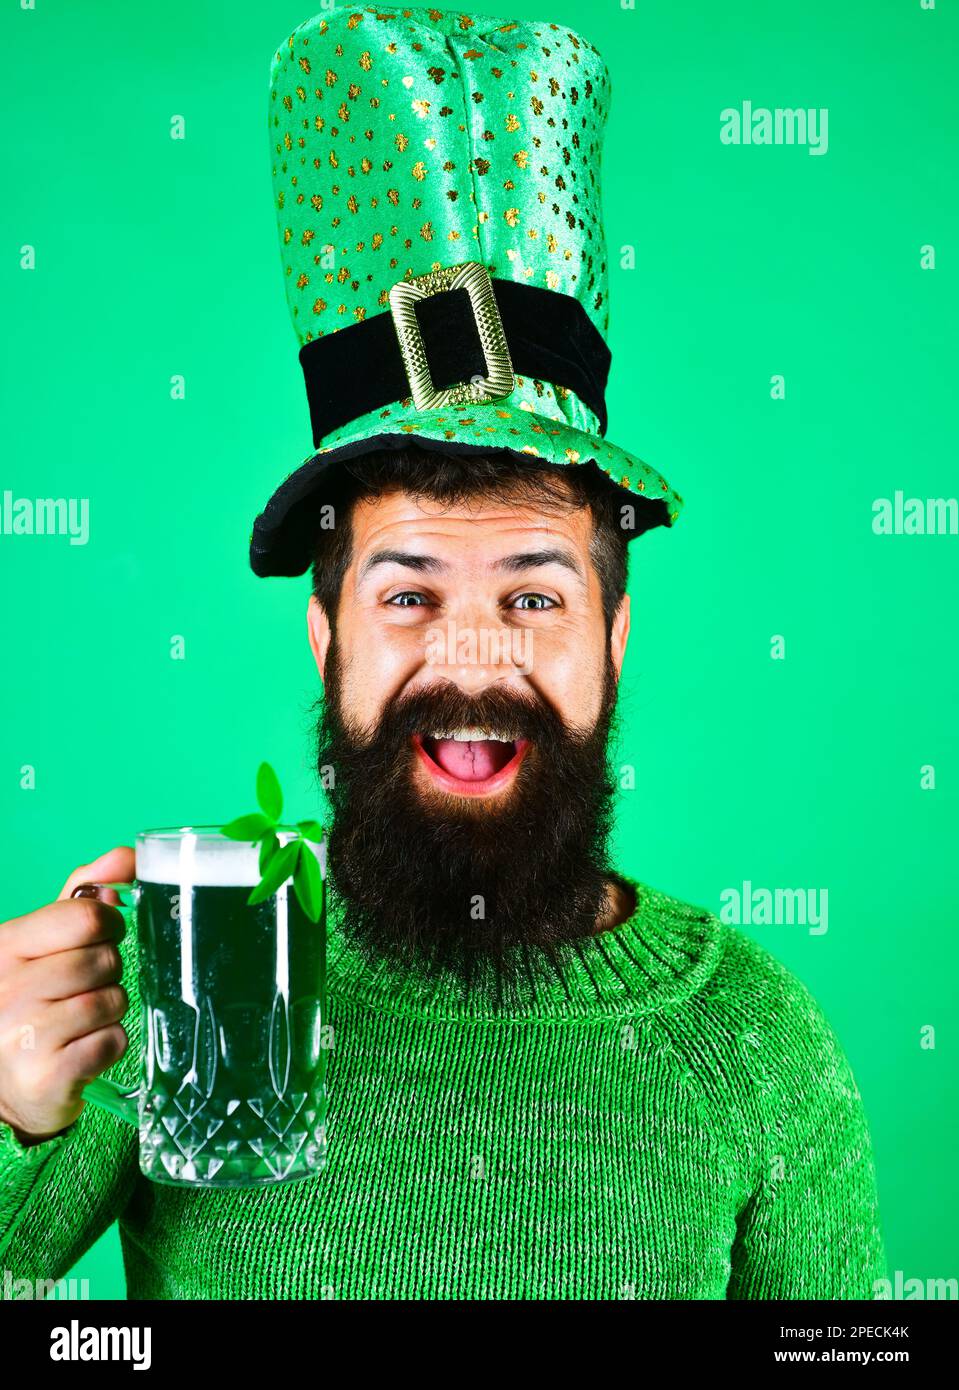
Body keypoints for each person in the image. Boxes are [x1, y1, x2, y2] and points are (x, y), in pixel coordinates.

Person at [0, 7, 885, 1298]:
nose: (471, 654)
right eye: (409, 597)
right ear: (326, 634)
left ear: (615, 637)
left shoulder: (754, 1042)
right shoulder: (190, 976)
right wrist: (20, 1114)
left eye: (533, 600)